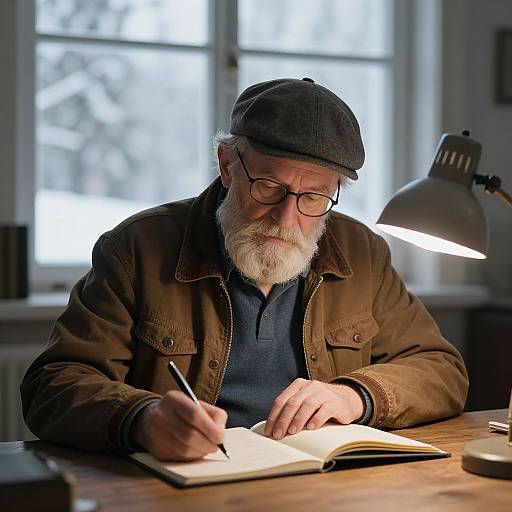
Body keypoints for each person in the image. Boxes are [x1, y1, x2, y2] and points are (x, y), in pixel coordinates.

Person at [21, 78, 469, 462]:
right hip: (190, 483)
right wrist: (142, 419)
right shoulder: (136, 247)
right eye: (270, 186)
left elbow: (441, 369)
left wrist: (355, 395)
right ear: (227, 166)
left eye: (314, 197)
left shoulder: (362, 252)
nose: (286, 218)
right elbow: (54, 385)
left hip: (324, 483)